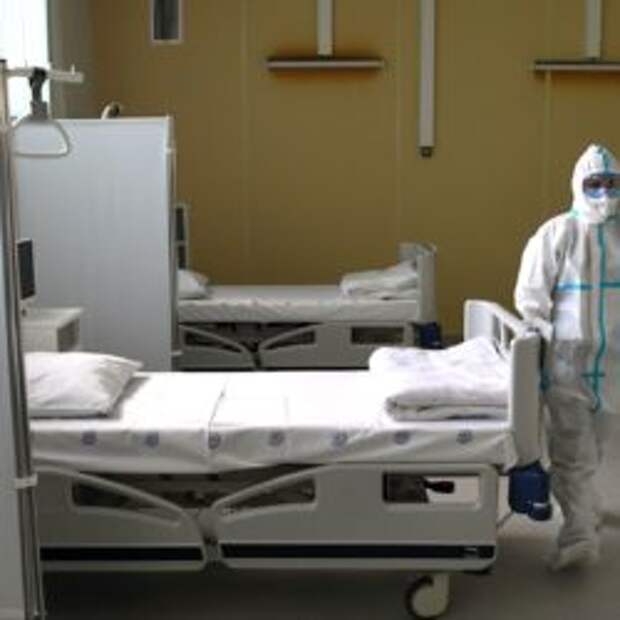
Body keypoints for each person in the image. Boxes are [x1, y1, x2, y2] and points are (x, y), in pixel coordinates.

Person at [514, 143, 620, 571]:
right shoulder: (557, 232)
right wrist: (540, 341)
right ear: (578, 185)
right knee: (572, 449)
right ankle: (578, 533)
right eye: (594, 184)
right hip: (568, 361)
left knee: (599, 444)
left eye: (611, 183)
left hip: (614, 362)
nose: (604, 192)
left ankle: (588, 508)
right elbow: (531, 295)